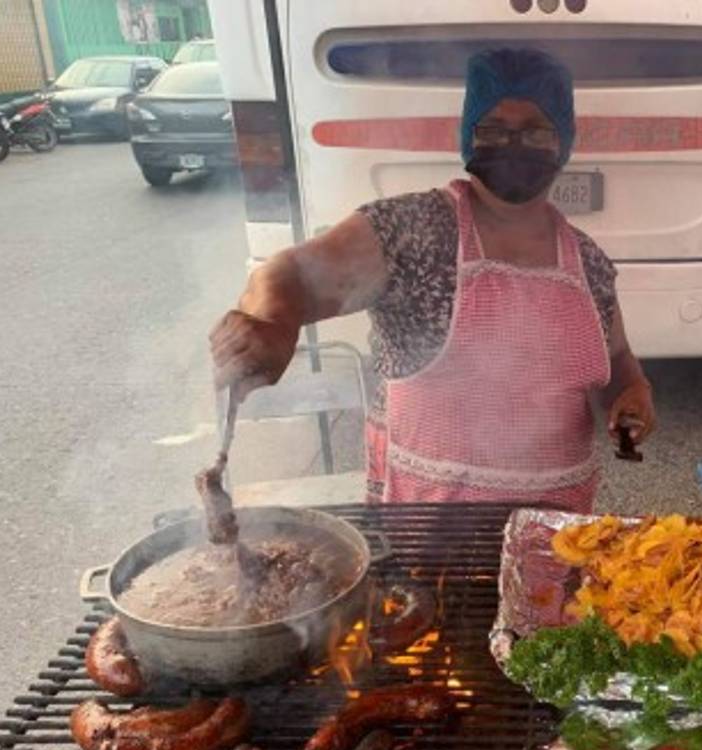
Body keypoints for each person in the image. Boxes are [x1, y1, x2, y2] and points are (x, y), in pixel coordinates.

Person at [209, 48, 654, 513]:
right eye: (494, 129)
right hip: (428, 532)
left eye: (535, 131)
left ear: (561, 142)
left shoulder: (589, 262)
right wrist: (272, 321)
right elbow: (288, 274)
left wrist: (632, 392)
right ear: (468, 138)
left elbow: (617, 356)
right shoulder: (409, 231)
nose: (513, 144)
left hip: (554, 534)